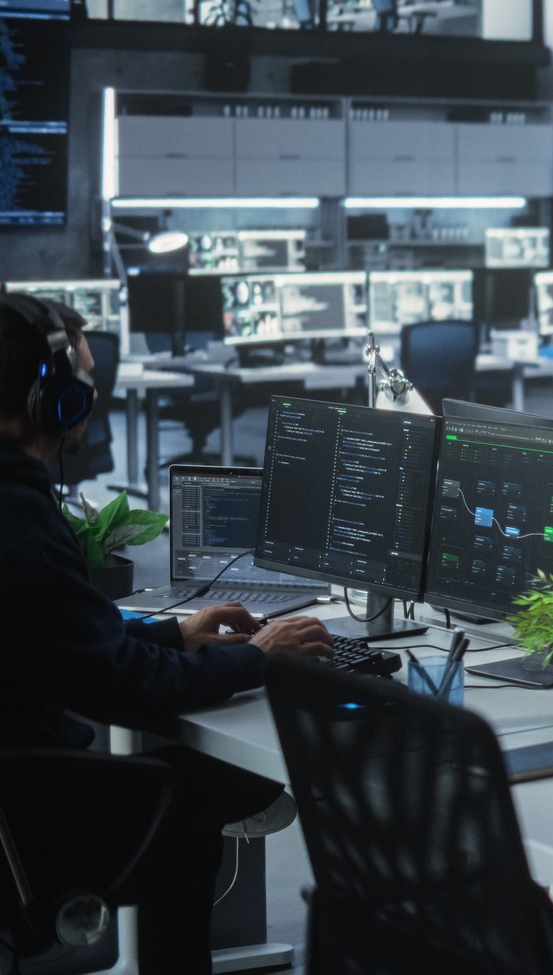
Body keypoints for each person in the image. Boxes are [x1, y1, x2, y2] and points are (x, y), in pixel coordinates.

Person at [0, 293, 332, 973]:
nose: (89, 399)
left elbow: (59, 639)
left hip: (14, 795)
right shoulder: (18, 518)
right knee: (205, 780)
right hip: (30, 819)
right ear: (47, 400)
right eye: (82, 384)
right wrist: (260, 658)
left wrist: (176, 637)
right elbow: (120, 687)